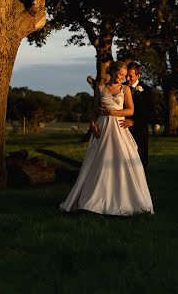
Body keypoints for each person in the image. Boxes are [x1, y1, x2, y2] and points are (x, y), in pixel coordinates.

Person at [60, 61, 153, 216]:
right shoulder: (101, 88)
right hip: (102, 128)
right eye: (120, 74)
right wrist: (92, 123)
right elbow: (95, 109)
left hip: (118, 127)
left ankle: (124, 199)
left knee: (121, 160)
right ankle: (93, 200)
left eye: (125, 75)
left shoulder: (125, 89)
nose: (123, 78)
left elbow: (130, 110)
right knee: (98, 160)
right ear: (113, 72)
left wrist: (113, 113)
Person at [119, 61, 157, 171]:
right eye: (126, 76)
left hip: (140, 132)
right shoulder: (120, 88)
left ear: (138, 75)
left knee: (139, 162)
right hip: (122, 130)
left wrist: (134, 122)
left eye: (130, 76)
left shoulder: (147, 91)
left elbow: (151, 114)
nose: (127, 79)